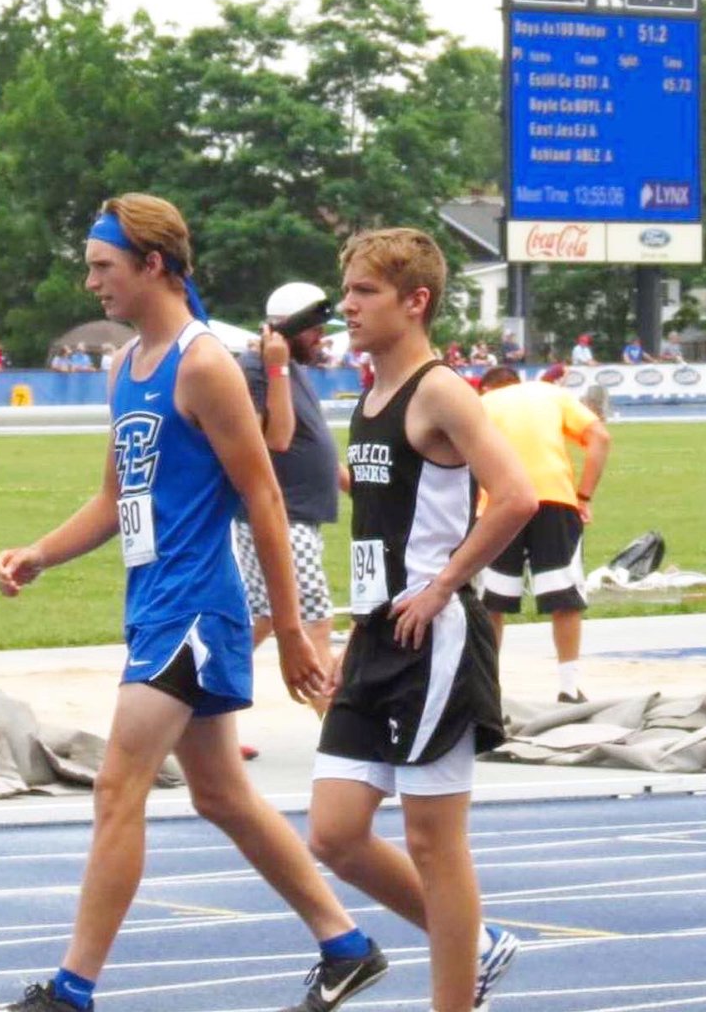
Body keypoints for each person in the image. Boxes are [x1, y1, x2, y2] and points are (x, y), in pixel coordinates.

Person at [0, 194, 386, 1012]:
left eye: (102, 266)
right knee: (221, 794)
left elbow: (264, 496)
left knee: (117, 788)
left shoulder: (205, 365)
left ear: (153, 265)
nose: (91, 281)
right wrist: (40, 553)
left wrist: (293, 634)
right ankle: (345, 945)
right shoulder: (123, 367)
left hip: (195, 610)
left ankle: (72, 989)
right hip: (152, 601)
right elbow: (115, 499)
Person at [306, 227, 537, 1012]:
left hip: (434, 640)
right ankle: (477, 944)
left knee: (434, 843)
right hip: (379, 635)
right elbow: (380, 529)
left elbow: (516, 496)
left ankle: (455, 996)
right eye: (347, 291)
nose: (347, 306)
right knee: (334, 833)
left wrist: (442, 587)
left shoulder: (440, 392)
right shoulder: (369, 397)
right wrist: (352, 634)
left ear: (416, 301)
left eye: (364, 292)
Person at [235, 281, 342, 718]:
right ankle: (338, 731)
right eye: (314, 329)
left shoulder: (291, 368)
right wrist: (276, 367)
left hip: (296, 516)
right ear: (288, 328)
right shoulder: (257, 369)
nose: (322, 338)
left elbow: (309, 440)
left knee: (261, 618)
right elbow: (277, 439)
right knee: (314, 621)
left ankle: (199, 707)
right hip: (282, 518)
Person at [477, 365, 612, 702]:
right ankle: (568, 687)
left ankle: (489, 689)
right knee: (563, 595)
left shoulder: (482, 404)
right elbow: (600, 437)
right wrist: (584, 497)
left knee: (491, 600)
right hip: (555, 498)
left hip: (499, 501)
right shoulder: (552, 394)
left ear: (487, 388)